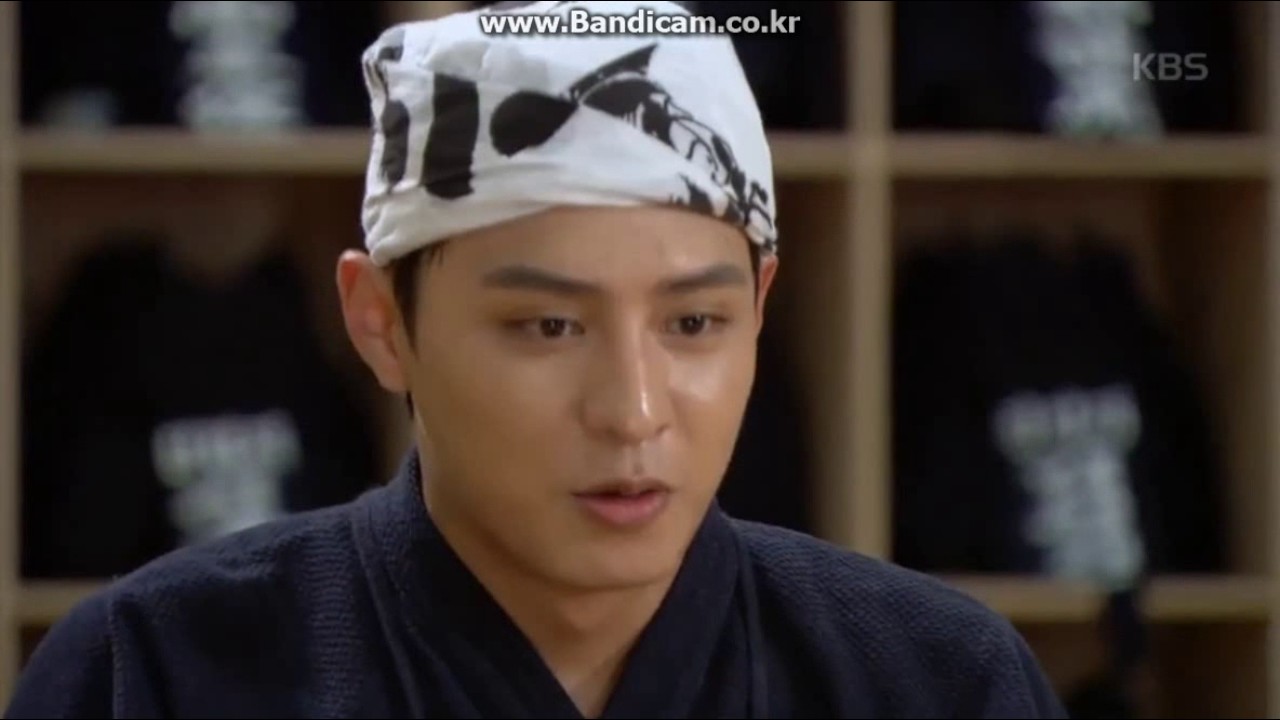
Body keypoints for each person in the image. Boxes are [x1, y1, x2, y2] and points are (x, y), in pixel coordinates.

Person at [5, 2, 1068, 717]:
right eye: (549, 327)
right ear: (380, 322)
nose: (633, 410)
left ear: (760, 310)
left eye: (694, 324)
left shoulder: (934, 682)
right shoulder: (150, 674)